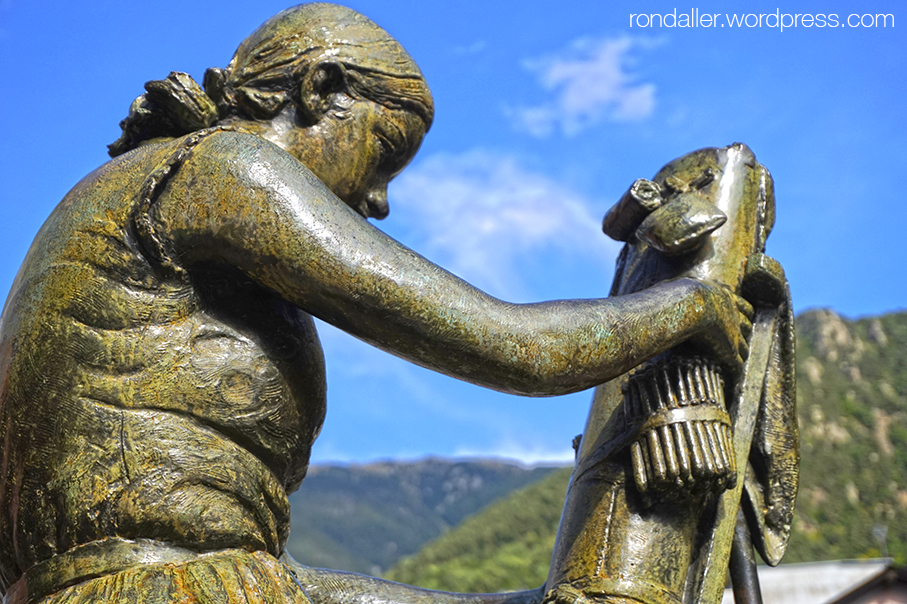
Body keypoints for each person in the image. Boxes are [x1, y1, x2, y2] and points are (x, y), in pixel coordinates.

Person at [0, 4, 750, 603]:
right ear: (321, 91)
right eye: (383, 150)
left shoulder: (152, 192)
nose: (378, 200)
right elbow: (512, 347)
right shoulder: (224, 170)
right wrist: (688, 303)